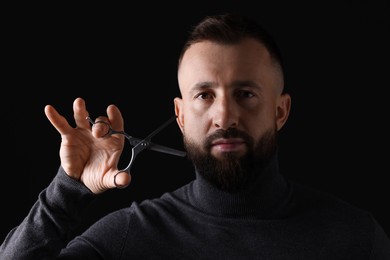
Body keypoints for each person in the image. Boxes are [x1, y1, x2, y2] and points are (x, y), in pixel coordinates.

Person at [1, 13, 389, 259]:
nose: (224, 115)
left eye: (246, 94)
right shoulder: (129, 238)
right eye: (205, 95)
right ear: (180, 116)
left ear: (280, 110)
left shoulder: (355, 238)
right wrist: (66, 191)